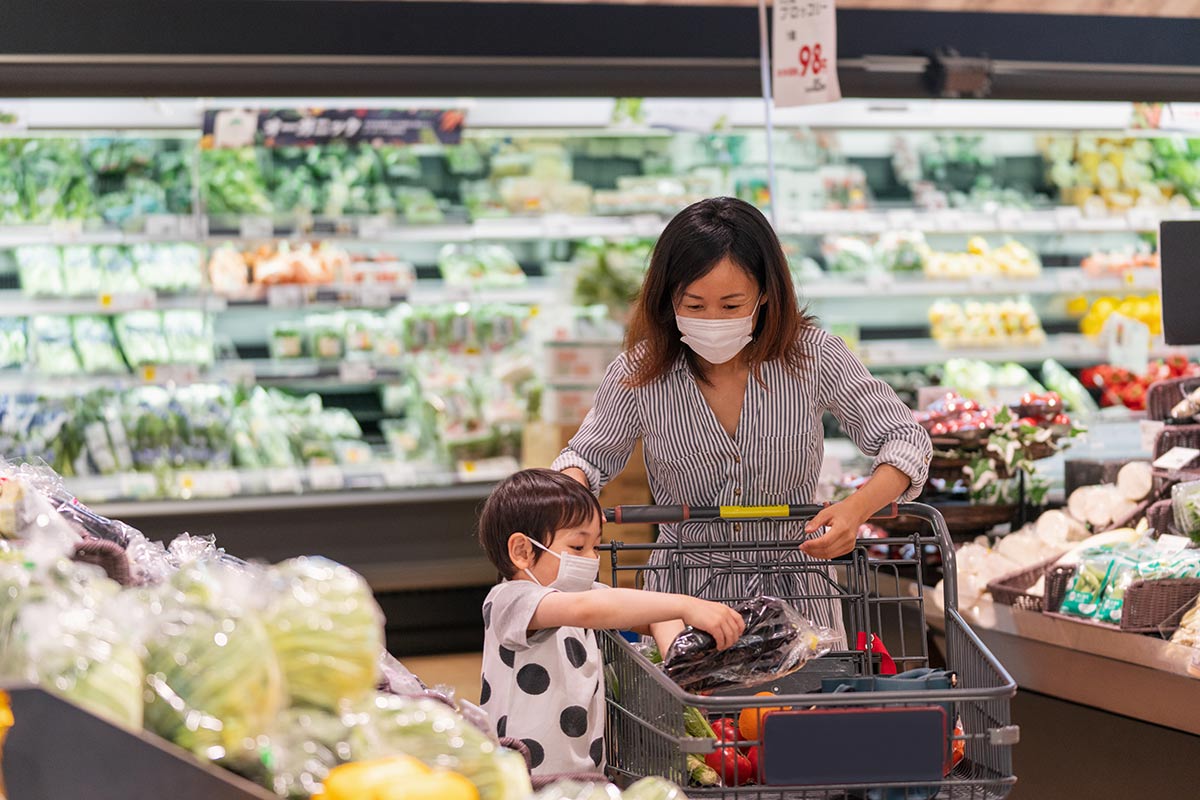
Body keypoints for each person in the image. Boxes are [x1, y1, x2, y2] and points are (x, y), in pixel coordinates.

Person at [552, 196, 932, 650]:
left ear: (766, 294)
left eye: (732, 306)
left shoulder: (812, 357)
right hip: (683, 597)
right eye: (693, 305)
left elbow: (905, 438)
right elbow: (585, 457)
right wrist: (567, 503)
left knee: (794, 718)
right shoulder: (641, 372)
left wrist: (856, 510)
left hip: (799, 596)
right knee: (694, 718)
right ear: (668, 298)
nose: (712, 320)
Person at [477, 468, 745, 777]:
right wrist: (686, 603)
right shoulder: (510, 601)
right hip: (522, 777)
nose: (592, 559)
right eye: (578, 547)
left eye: (596, 547)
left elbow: (657, 615)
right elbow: (589, 610)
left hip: (585, 777)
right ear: (522, 551)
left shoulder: (586, 595)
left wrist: (681, 665)